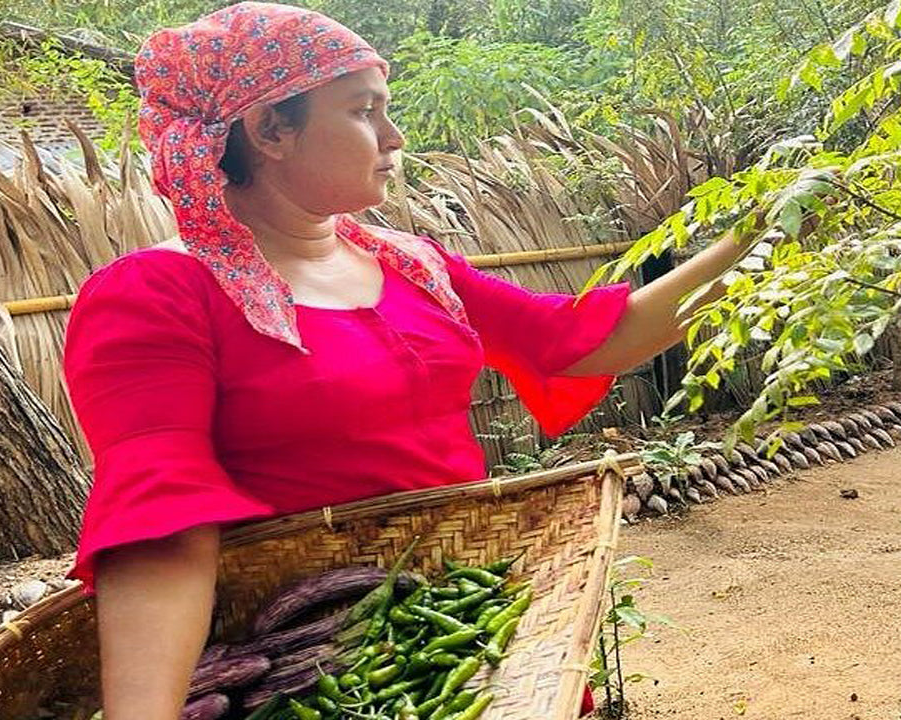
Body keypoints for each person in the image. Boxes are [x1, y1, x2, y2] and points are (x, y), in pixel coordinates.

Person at [62, 3, 801, 718]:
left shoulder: (412, 265)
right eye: (362, 110)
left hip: (472, 629)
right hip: (318, 665)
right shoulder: (155, 295)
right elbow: (160, 530)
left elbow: (585, 341)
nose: (395, 135)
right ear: (269, 129)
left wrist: (771, 231)